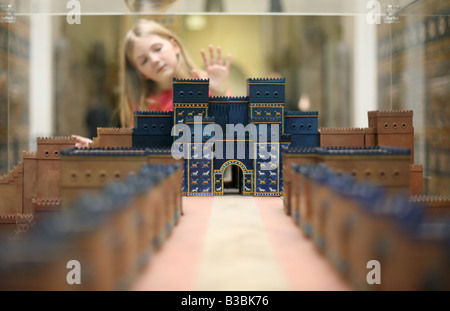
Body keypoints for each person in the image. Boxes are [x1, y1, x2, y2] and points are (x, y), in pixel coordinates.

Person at [74, 18, 232, 147]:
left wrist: (222, 93)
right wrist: (99, 149)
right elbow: (135, 151)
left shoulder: (207, 88)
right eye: (143, 61)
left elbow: (234, 137)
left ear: (175, 46)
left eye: (157, 49)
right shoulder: (142, 106)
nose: (155, 60)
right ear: (140, 73)